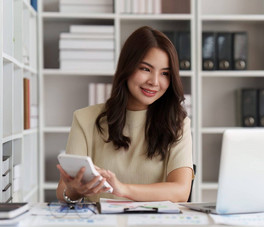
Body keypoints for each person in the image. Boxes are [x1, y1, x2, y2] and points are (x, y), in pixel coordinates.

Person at [56, 26, 193, 203]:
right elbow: (63, 192)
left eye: (165, 73)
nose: (154, 82)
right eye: (146, 69)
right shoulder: (84, 119)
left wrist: (123, 189)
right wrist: (75, 191)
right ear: (127, 67)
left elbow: (180, 191)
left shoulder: (178, 124)